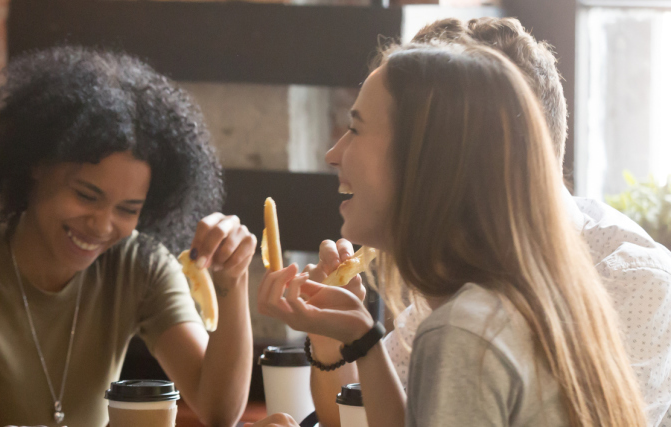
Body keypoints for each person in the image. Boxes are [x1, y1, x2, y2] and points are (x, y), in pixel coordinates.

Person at [258, 40, 651, 426]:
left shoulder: (463, 333)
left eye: (356, 130)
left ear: (424, 163)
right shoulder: (527, 300)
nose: (333, 155)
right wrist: (362, 338)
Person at [0, 47, 257, 427]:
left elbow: (219, 410)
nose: (103, 226)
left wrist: (231, 283)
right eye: (87, 196)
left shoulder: (139, 265)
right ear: (37, 164)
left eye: (128, 209)